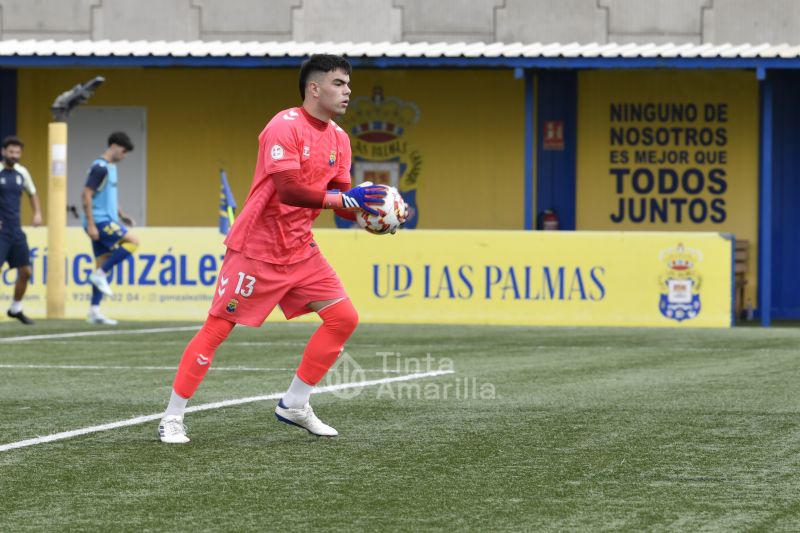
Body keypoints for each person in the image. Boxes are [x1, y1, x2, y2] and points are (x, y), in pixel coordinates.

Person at [158, 54, 399, 444]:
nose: (348, 91)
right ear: (314, 88)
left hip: (301, 249)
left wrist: (375, 217)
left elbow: (339, 196)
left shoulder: (339, 138)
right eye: (339, 83)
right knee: (217, 328)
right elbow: (289, 190)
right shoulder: (283, 126)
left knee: (344, 318)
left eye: (349, 84)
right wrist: (346, 202)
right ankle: (172, 417)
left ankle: (294, 404)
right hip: (257, 246)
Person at [81, 131, 139, 325]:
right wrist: (90, 224)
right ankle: (99, 275)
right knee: (133, 242)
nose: (124, 156)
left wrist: (122, 215)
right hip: (99, 220)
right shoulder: (100, 167)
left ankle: (94, 311)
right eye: (123, 152)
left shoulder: (111, 168)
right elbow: (86, 195)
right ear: (114, 146)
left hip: (107, 219)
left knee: (104, 261)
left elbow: (109, 195)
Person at [0, 136, 41, 325]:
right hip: (1, 232)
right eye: (11, 152)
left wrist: (37, 213)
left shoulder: (22, 172)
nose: (14, 155)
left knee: (26, 272)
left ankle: (15, 308)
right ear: (4, 152)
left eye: (17, 152)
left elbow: (32, 193)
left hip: (16, 231)